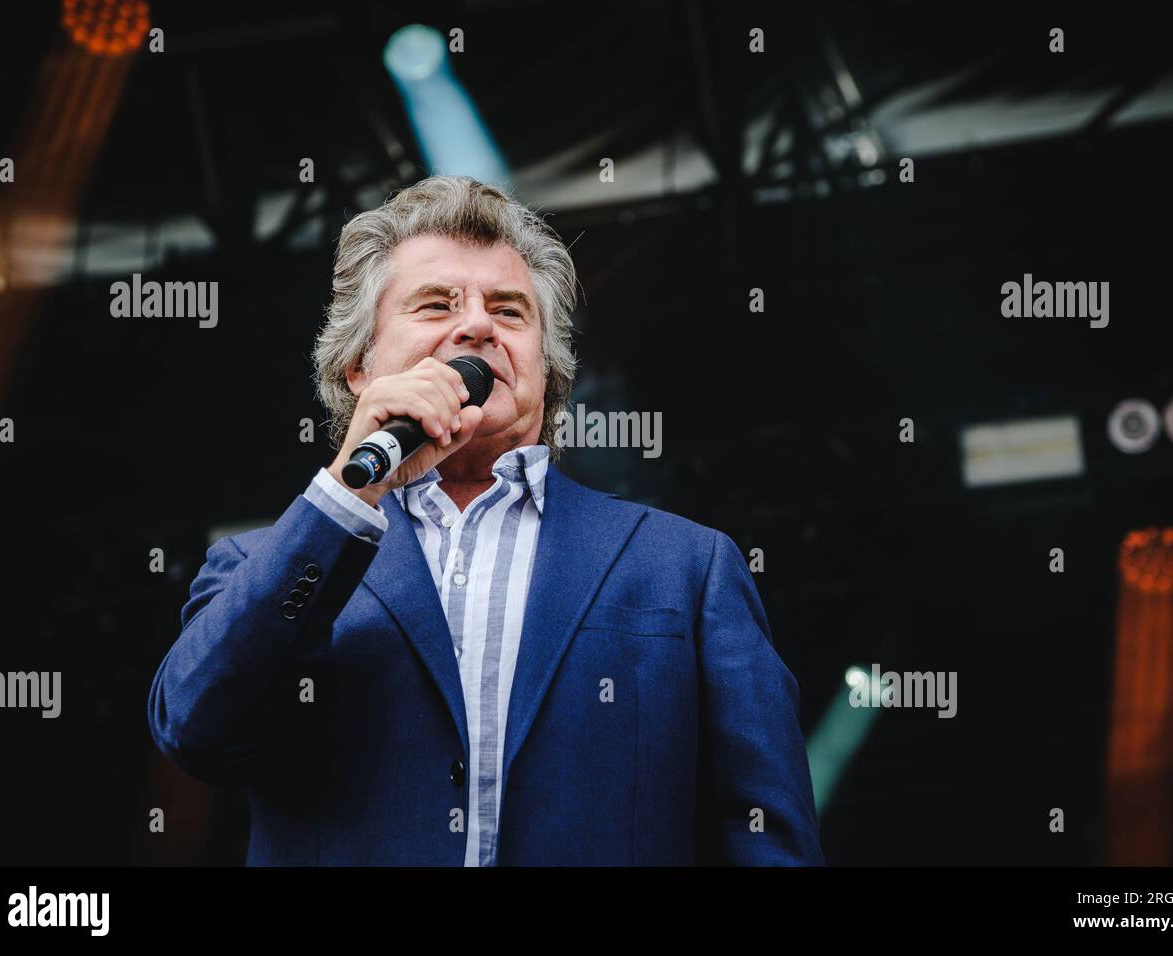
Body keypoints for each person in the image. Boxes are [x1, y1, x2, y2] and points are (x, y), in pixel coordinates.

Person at [147, 175, 824, 866]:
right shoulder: (263, 563)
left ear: (546, 368)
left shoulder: (688, 567)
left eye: (509, 310)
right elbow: (198, 729)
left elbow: (763, 831)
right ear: (359, 367)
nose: (476, 325)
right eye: (436, 303)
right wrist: (344, 500)